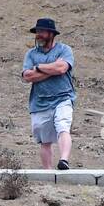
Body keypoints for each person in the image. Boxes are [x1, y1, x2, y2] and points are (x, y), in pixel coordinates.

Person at [20, 17, 76, 171]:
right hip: (40, 102)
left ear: (51, 34)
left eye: (42, 32)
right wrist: (50, 69)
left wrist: (38, 68)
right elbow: (27, 76)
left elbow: (62, 69)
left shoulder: (65, 50)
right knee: (45, 140)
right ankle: (48, 172)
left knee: (63, 126)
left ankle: (64, 160)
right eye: (37, 32)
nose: (38, 35)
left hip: (63, 98)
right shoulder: (30, 54)